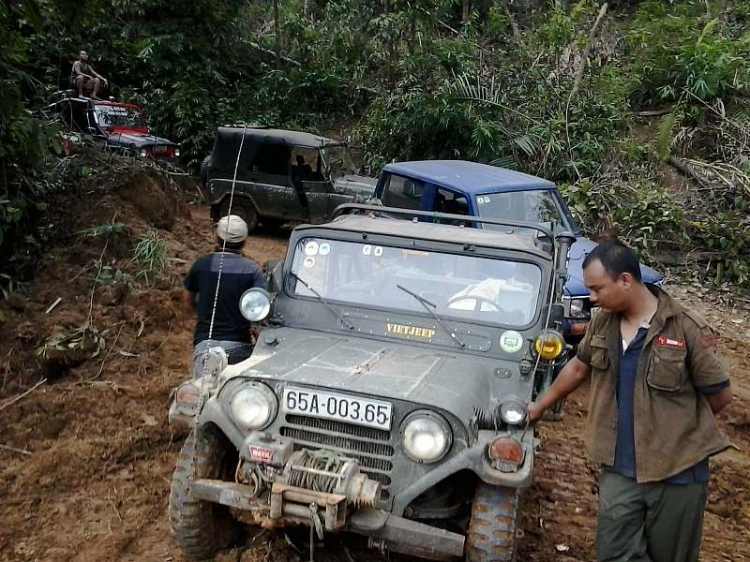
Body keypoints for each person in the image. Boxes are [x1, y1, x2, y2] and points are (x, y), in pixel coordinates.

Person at [529, 239, 733, 562]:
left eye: (597, 289)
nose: (592, 298)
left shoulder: (686, 328)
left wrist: (676, 430)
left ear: (625, 280)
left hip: (678, 474)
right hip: (620, 469)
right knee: (614, 552)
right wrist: (538, 408)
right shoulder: (601, 322)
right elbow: (579, 366)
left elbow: (720, 394)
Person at [183, 215, 267, 378]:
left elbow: (187, 300)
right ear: (244, 241)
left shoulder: (202, 264)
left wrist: (201, 315)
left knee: (202, 393)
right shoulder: (253, 270)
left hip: (204, 347)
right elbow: (259, 313)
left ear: (217, 237)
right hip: (239, 349)